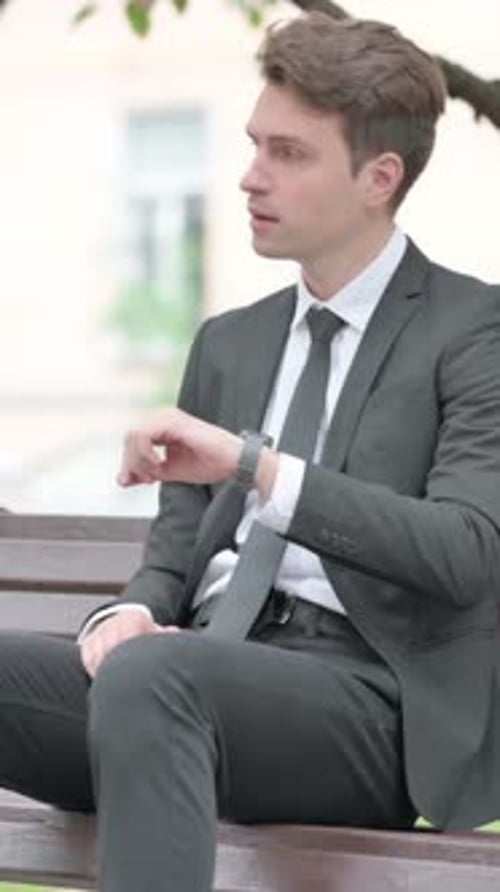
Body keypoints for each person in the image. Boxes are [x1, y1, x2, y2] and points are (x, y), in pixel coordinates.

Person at [1, 11, 500, 892]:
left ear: (379, 177)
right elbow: (174, 553)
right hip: (186, 681)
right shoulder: (230, 344)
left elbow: (464, 553)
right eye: (253, 144)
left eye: (289, 154)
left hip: (366, 711)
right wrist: (122, 614)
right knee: (145, 671)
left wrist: (256, 467)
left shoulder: (474, 331)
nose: (248, 177)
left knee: (160, 680)